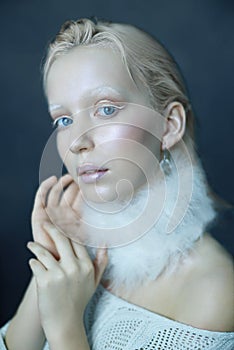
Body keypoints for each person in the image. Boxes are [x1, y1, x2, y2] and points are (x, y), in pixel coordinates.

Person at [1, 18, 234, 350]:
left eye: (106, 109)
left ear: (168, 126)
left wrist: (66, 326)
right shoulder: (78, 235)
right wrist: (52, 263)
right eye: (64, 120)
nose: (77, 141)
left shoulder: (215, 292)